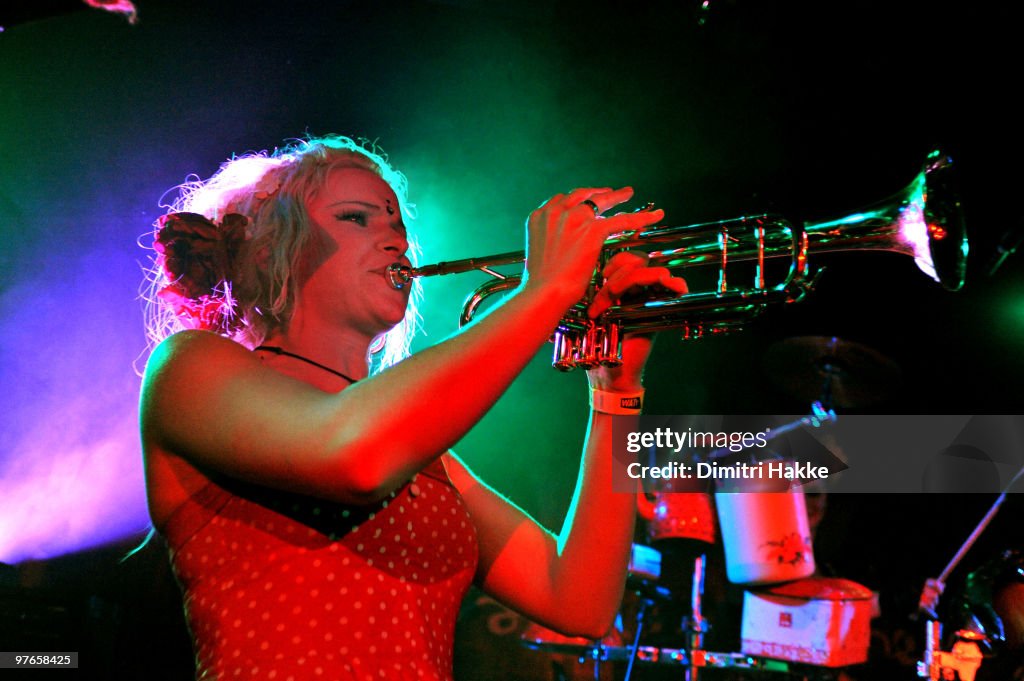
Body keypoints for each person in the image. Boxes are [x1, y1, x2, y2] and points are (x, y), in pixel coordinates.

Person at [139, 134, 687, 680]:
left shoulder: (426, 459)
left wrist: (615, 389)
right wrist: (545, 290)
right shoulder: (190, 367)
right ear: (268, 249)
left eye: (396, 225)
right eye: (356, 218)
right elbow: (353, 456)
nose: (395, 242)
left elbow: (580, 601)